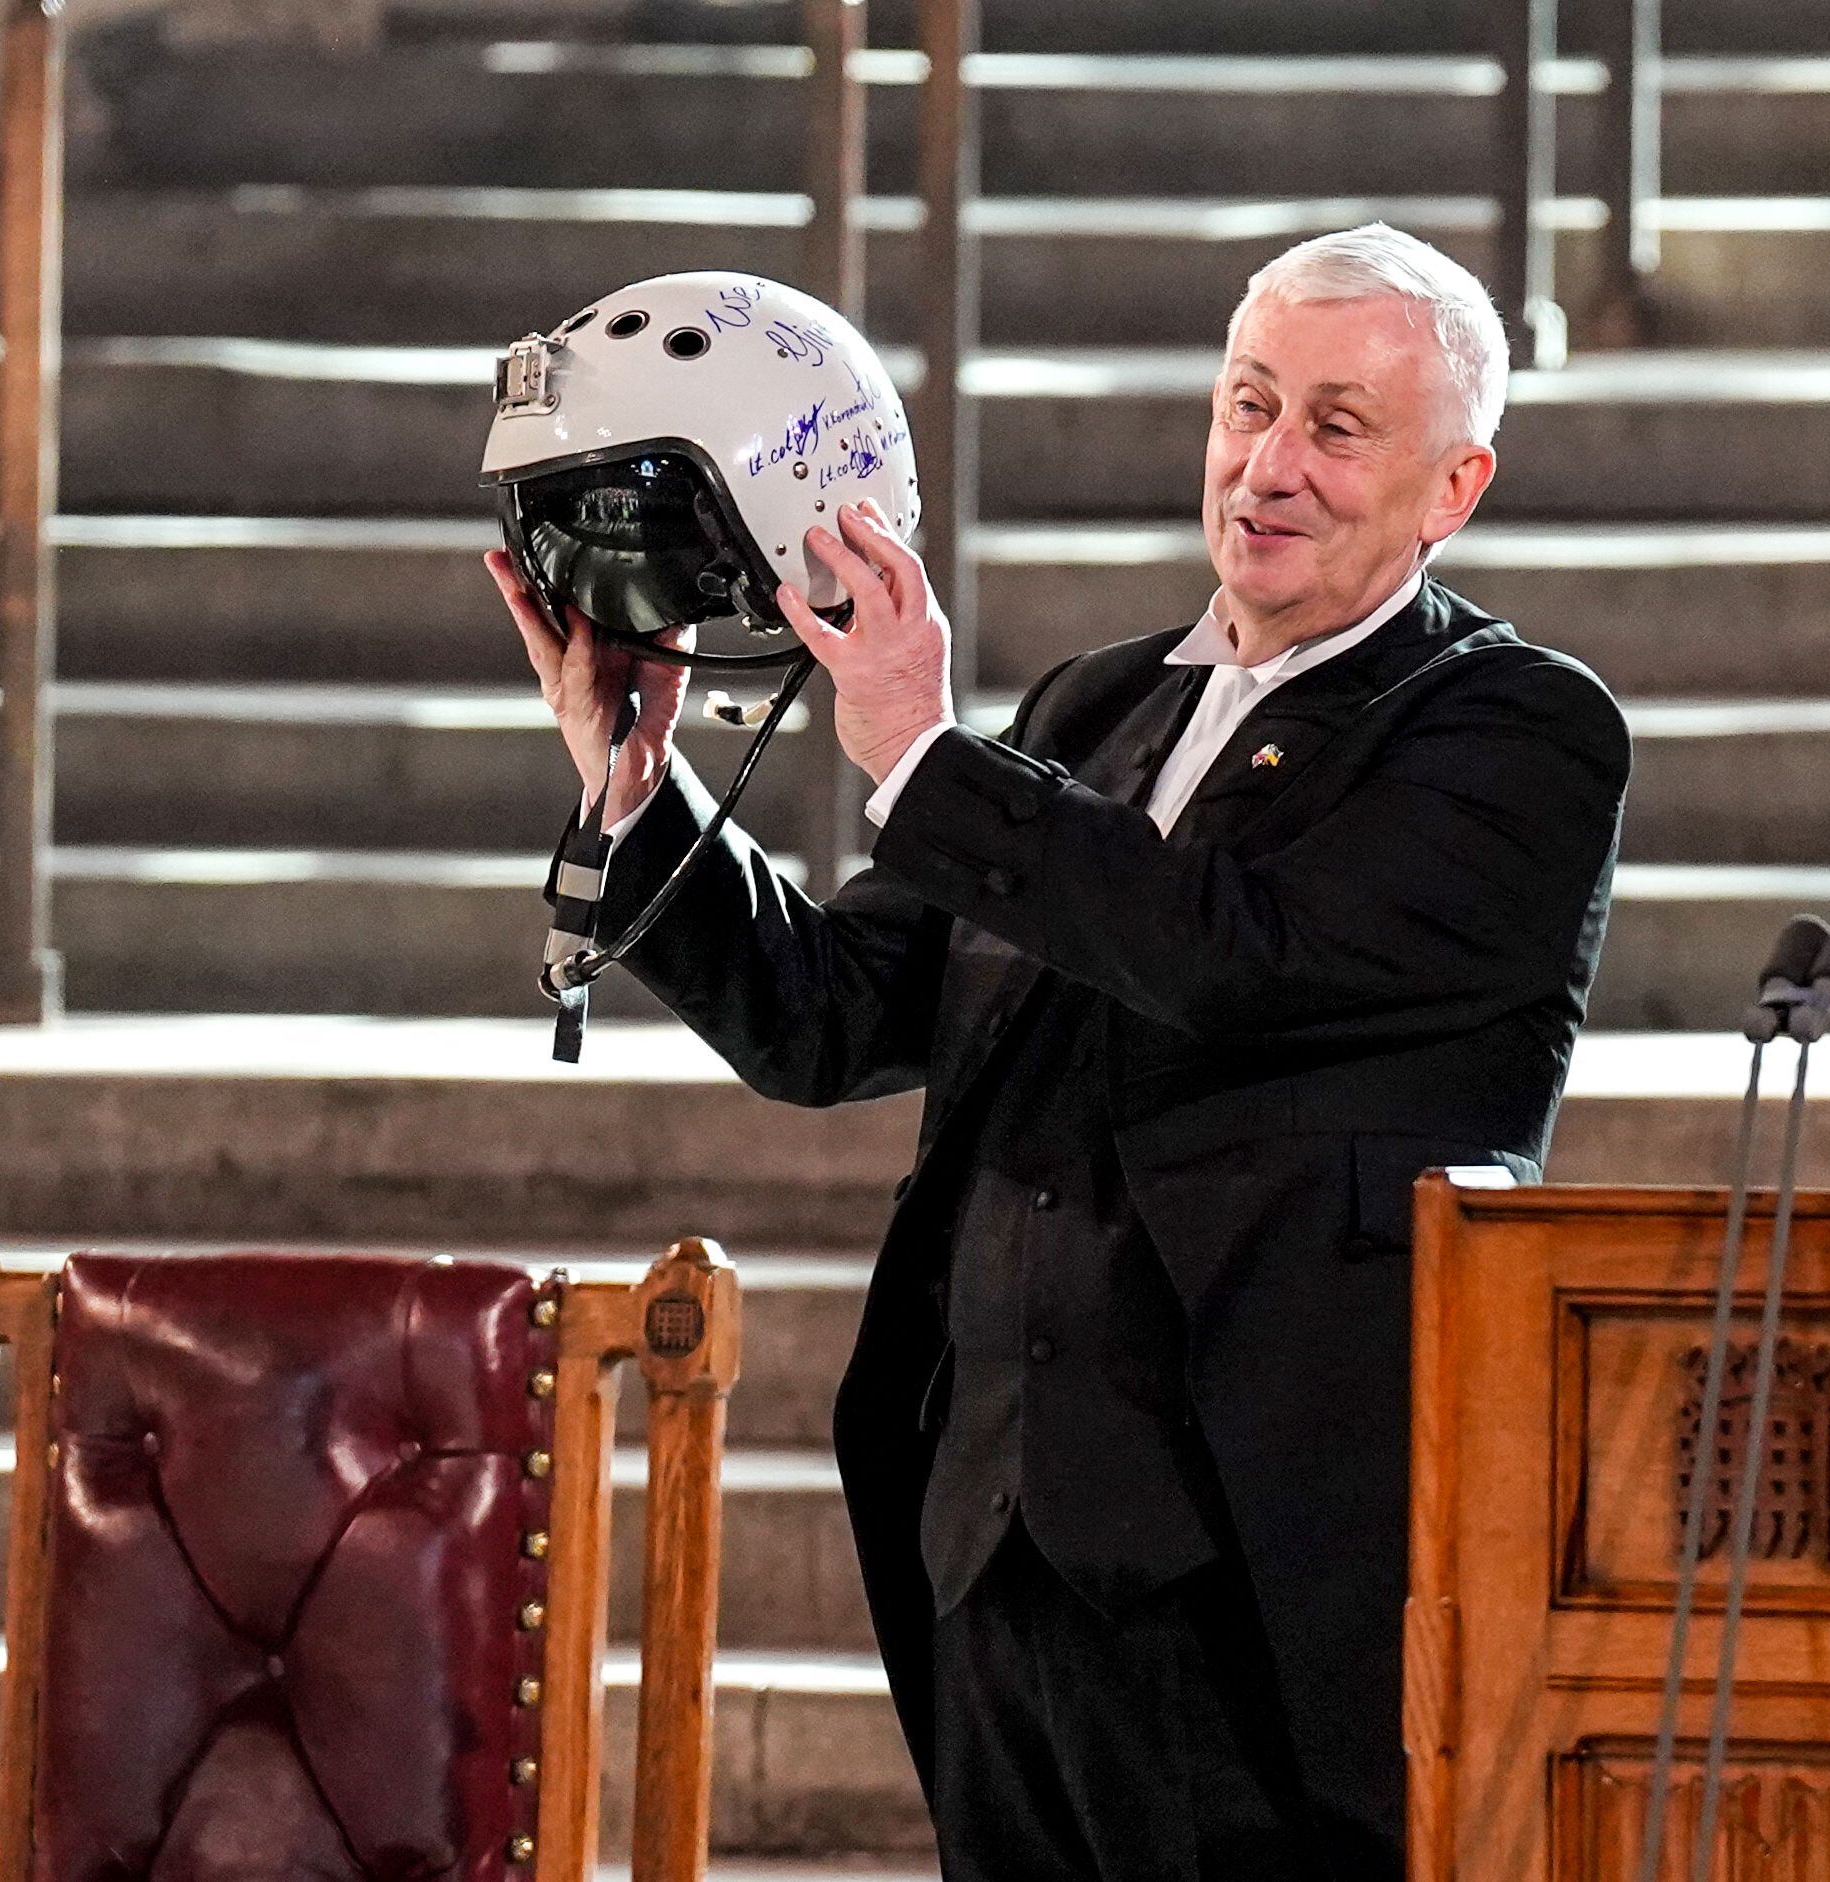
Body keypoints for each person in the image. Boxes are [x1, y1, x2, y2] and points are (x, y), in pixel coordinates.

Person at [489, 223, 1631, 1881]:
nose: (1269, 465)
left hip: (1267, 1574)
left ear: (1454, 487)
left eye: (1335, 425)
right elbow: (832, 1013)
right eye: (1249, 406)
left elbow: (1231, 960)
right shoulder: (1096, 712)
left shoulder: (1518, 732)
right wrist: (636, 775)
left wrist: (923, 751)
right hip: (999, 1553)